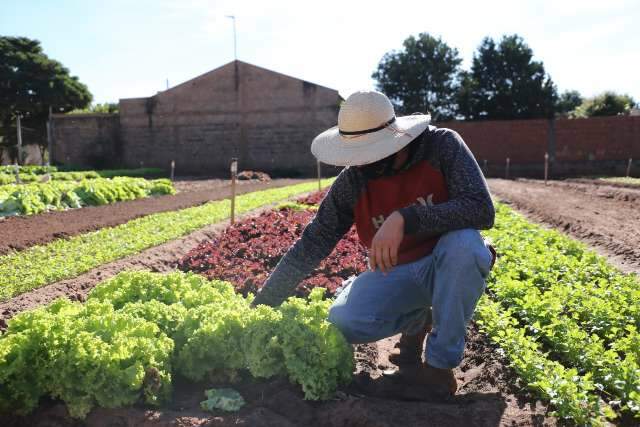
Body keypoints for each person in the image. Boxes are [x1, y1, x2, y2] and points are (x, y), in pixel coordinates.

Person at [251, 90, 495, 396]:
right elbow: (311, 244)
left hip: (448, 265)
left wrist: (406, 218)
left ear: (399, 140)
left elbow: (481, 209)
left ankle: (437, 370)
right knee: (343, 321)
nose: (365, 164)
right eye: (359, 157)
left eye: (374, 154)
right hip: (401, 274)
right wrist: (262, 306)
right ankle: (419, 320)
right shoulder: (354, 182)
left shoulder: (441, 146)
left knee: (464, 245)